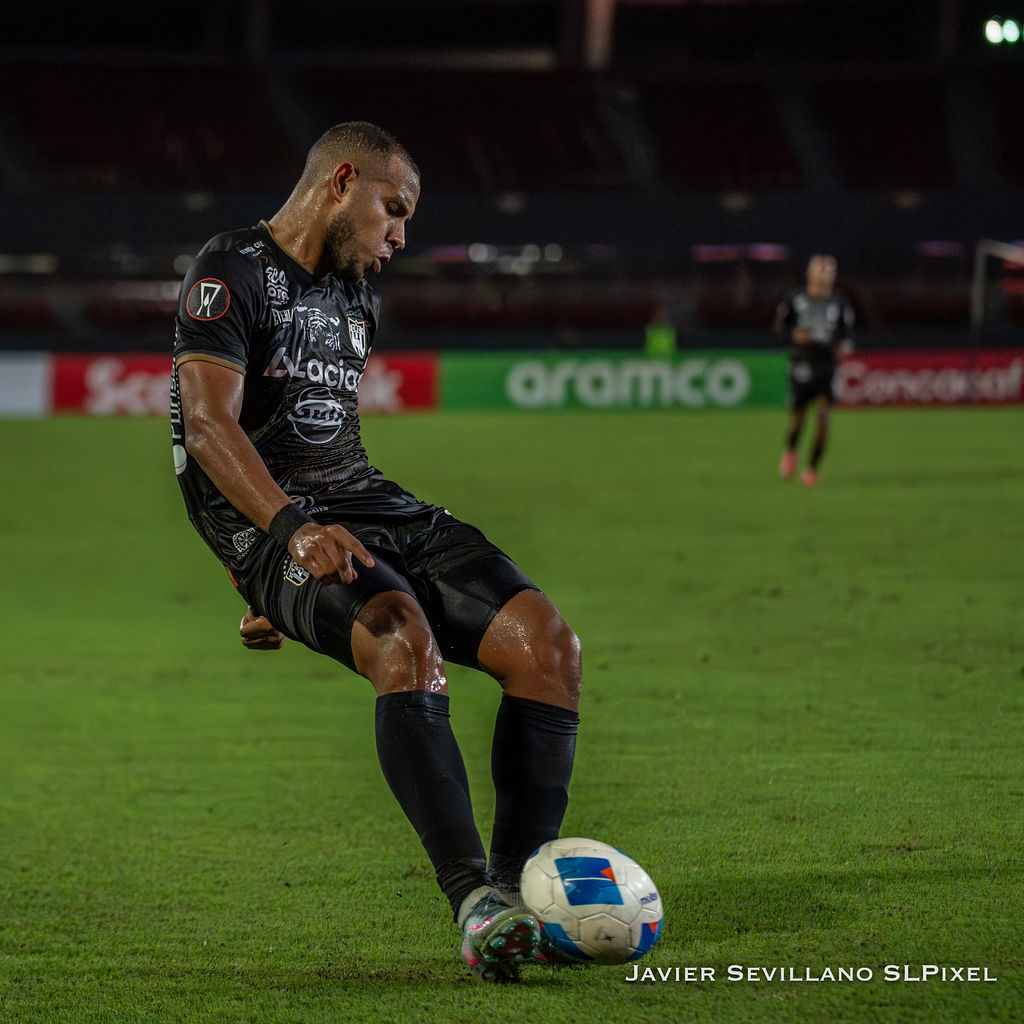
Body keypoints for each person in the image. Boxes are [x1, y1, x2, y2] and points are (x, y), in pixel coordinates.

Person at [169, 121, 581, 983]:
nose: (401, 237)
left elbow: (328, 438)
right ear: (344, 181)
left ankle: (518, 895)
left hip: (363, 503)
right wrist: (275, 552)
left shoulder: (358, 290)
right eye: (394, 211)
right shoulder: (230, 272)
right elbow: (205, 429)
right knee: (402, 637)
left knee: (548, 647)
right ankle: (472, 900)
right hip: (283, 528)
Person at [772, 254, 855, 485]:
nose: (824, 276)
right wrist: (795, 336)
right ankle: (790, 450)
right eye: (820, 270)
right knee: (798, 421)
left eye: (828, 271)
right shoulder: (795, 299)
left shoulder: (839, 304)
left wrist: (844, 347)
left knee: (823, 418)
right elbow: (779, 330)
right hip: (801, 364)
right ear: (810, 273)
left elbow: (848, 335)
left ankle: (811, 469)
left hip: (826, 367)